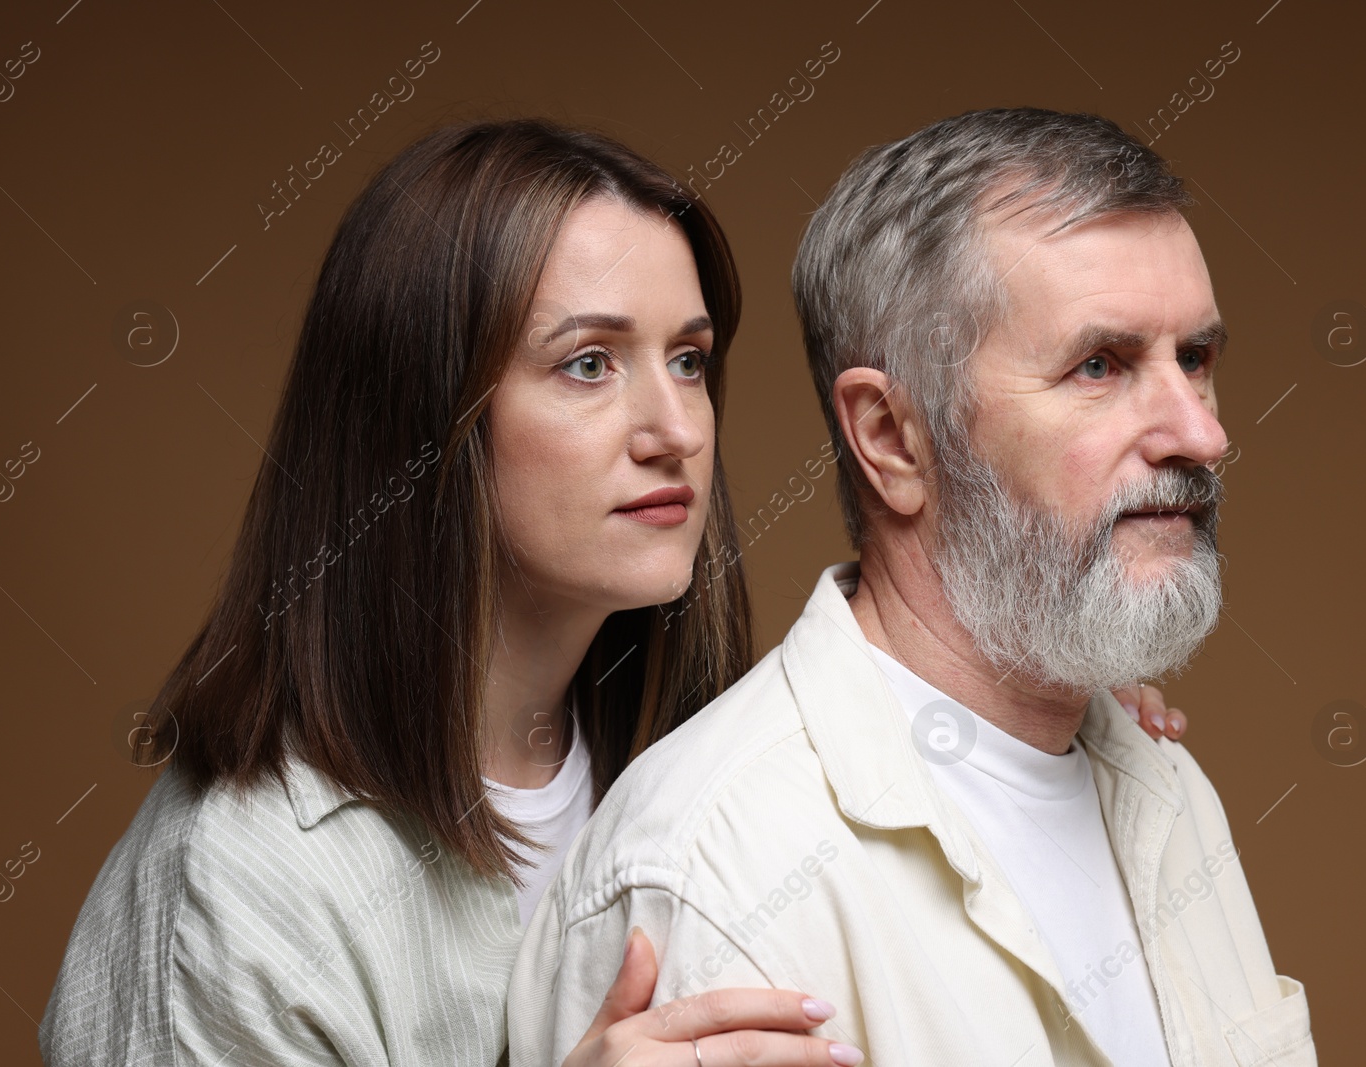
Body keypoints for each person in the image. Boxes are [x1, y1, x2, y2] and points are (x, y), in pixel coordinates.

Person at [39, 116, 1188, 1067]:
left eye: (687, 359)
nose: (675, 429)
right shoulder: (245, 886)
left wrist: (1036, 703)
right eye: (587, 363)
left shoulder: (689, 766)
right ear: (420, 421)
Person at [508, 108, 1317, 1067]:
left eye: (1195, 359)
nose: (1201, 434)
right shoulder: (713, 873)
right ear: (892, 438)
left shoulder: (1169, 789)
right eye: (1100, 366)